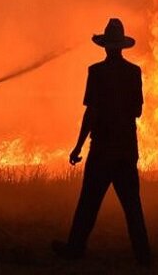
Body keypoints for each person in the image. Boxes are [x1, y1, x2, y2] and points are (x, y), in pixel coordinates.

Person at [52, 18, 151, 266]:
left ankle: (75, 249)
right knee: (132, 205)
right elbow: (138, 111)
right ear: (121, 47)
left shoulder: (96, 72)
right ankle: (143, 255)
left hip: (102, 149)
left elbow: (91, 112)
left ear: (106, 47)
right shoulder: (134, 72)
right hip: (126, 149)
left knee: (88, 202)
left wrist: (78, 147)